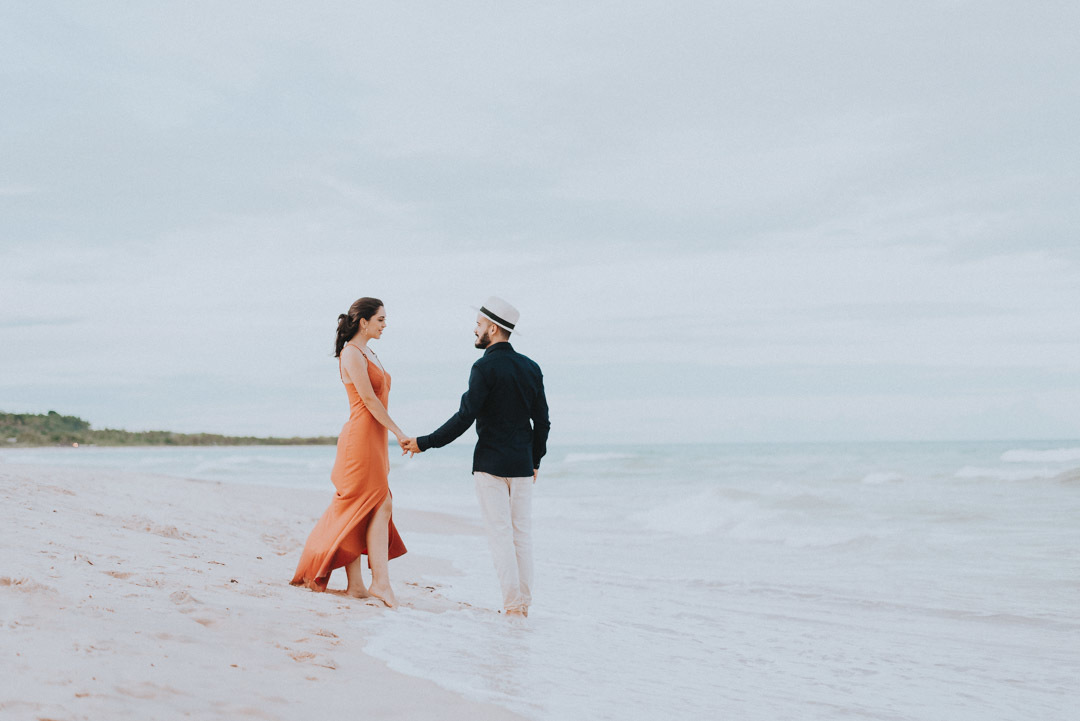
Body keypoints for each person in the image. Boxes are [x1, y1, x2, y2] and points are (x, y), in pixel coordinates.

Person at [403, 296, 550, 618]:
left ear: (493, 329)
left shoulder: (484, 367)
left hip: (490, 465)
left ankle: (513, 607)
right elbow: (542, 421)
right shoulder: (531, 367)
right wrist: (536, 460)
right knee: (521, 536)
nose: (475, 329)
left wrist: (424, 443)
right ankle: (523, 605)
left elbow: (465, 416)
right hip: (523, 465)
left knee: (500, 535)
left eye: (480, 325)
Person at [291, 297, 409, 608]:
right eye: (381, 319)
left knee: (371, 508)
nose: (385, 325)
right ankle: (379, 584)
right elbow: (370, 402)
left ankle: (358, 586)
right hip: (360, 439)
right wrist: (399, 432)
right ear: (363, 322)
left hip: (375, 439)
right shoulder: (351, 354)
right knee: (376, 503)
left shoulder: (370, 353)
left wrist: (388, 435)